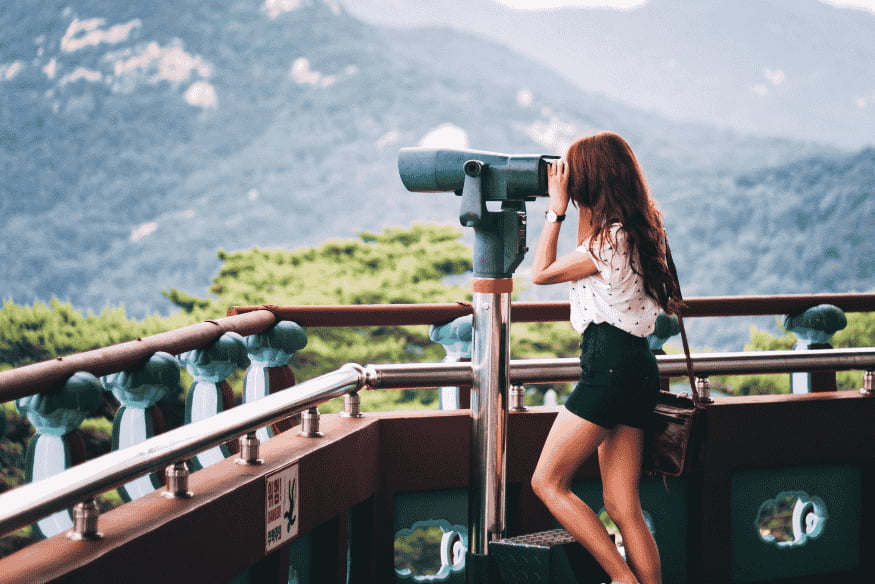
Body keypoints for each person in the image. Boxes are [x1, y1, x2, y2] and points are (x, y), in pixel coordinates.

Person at [529, 132, 683, 584]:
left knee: (548, 482)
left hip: (609, 368)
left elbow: (540, 274)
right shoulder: (639, 231)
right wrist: (580, 203)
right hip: (637, 368)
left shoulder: (607, 242)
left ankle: (622, 579)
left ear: (592, 181)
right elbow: (587, 239)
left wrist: (555, 209)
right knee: (623, 506)